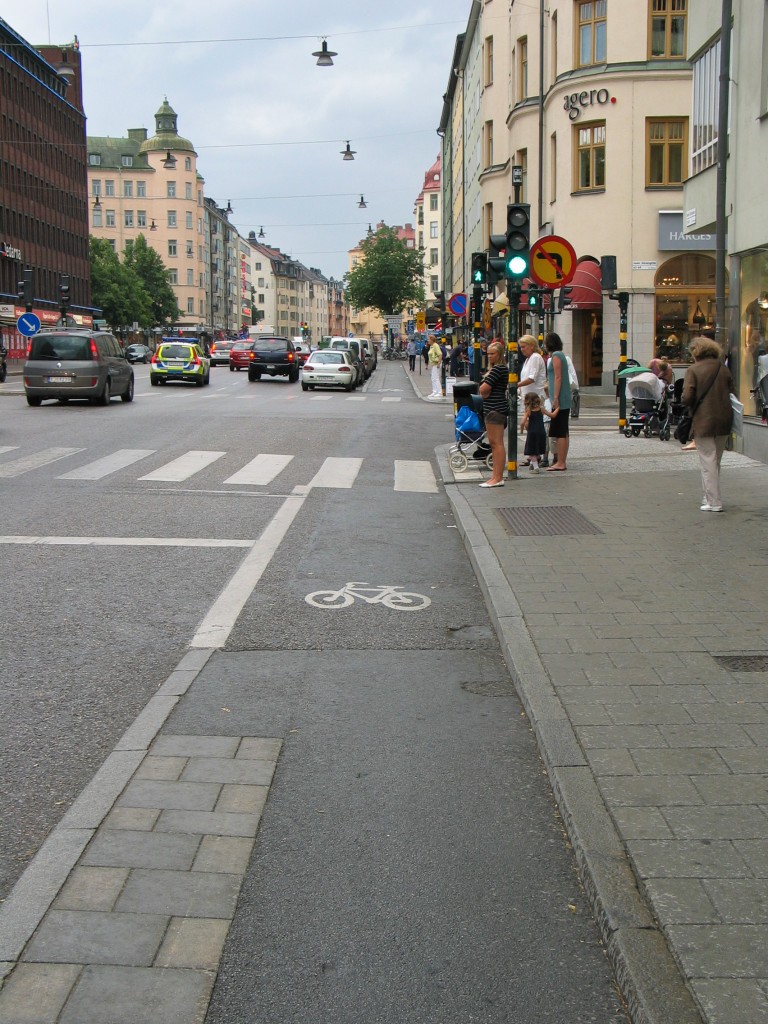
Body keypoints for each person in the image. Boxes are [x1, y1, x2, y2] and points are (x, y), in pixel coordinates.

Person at [681, 336, 735, 512]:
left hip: (704, 420)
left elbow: (687, 397)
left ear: (696, 352)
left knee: (707, 461)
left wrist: (684, 400)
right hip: (724, 419)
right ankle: (708, 496)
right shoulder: (723, 369)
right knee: (715, 460)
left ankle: (714, 501)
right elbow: (732, 392)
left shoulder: (693, 370)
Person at [478, 340, 508, 487]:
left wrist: (484, 392)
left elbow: (483, 389)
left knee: (496, 443)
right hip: (493, 408)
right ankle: (495, 476)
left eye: (493, 353)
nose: (489, 356)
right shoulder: (498, 369)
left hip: (495, 408)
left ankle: (498, 477)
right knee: (494, 443)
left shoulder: (498, 369)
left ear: (499, 354)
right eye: (488, 353)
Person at [544, 332, 572, 471]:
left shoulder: (556, 355)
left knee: (560, 431)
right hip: (563, 397)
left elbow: (558, 377)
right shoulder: (560, 355)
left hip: (560, 398)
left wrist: (555, 398)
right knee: (563, 430)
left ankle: (561, 462)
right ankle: (561, 461)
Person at [520, 393, 549, 473]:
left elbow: (522, 422)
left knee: (531, 451)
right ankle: (534, 462)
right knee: (537, 448)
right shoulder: (541, 409)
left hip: (532, 432)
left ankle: (536, 468)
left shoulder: (528, 410)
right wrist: (558, 409)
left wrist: (521, 431)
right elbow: (552, 415)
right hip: (541, 431)